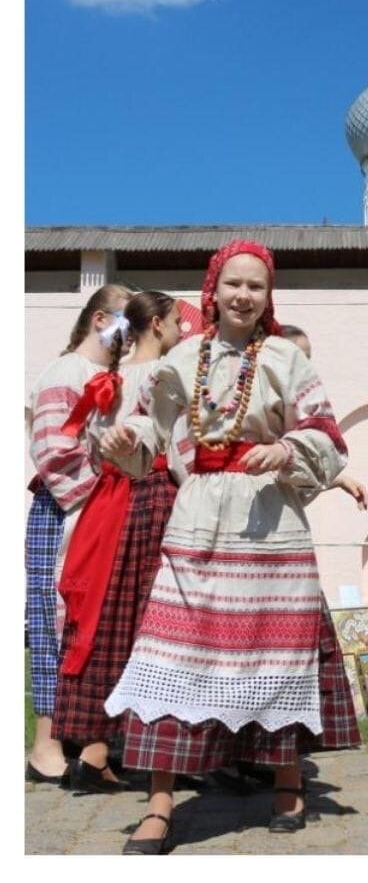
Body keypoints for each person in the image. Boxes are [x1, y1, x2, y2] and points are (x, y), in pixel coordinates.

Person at [100, 241, 359, 854]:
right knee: (171, 655)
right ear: (212, 290)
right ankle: (161, 804)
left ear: (270, 296)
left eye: (257, 287)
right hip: (196, 519)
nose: (244, 296)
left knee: (276, 651)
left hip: (269, 517)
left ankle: (288, 783)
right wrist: (122, 440)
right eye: (234, 284)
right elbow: (151, 430)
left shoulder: (287, 360)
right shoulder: (181, 358)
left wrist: (289, 449)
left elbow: (326, 431)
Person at [52, 291, 185, 794]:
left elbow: (89, 441)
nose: (181, 332)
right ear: (155, 324)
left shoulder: (108, 377)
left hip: (108, 502)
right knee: (157, 624)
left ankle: (94, 750)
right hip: (151, 496)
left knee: (109, 617)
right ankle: (161, 753)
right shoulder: (162, 377)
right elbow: (175, 447)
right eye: (175, 322)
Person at [25, 283, 132, 785]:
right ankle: (44, 743)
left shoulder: (109, 376)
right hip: (68, 506)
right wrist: (95, 495)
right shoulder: (65, 373)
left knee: (88, 624)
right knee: (53, 621)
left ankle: (86, 739)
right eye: (125, 325)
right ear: (100, 321)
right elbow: (51, 448)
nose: (129, 338)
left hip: (96, 508)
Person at [280, 323, 368, 509]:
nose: (307, 367)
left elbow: (296, 475)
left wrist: (338, 480)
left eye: (308, 358)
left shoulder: (303, 406)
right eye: (300, 358)